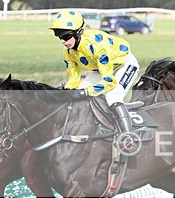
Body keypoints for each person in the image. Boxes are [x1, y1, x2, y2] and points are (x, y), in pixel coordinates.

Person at [50, 9, 140, 141]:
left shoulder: (97, 46)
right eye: (58, 35)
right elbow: (74, 79)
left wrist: (85, 92)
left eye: (66, 36)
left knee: (113, 96)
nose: (62, 41)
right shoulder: (67, 52)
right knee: (81, 91)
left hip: (124, 64)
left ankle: (129, 137)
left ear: (78, 33)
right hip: (101, 68)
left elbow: (109, 81)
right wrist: (66, 91)